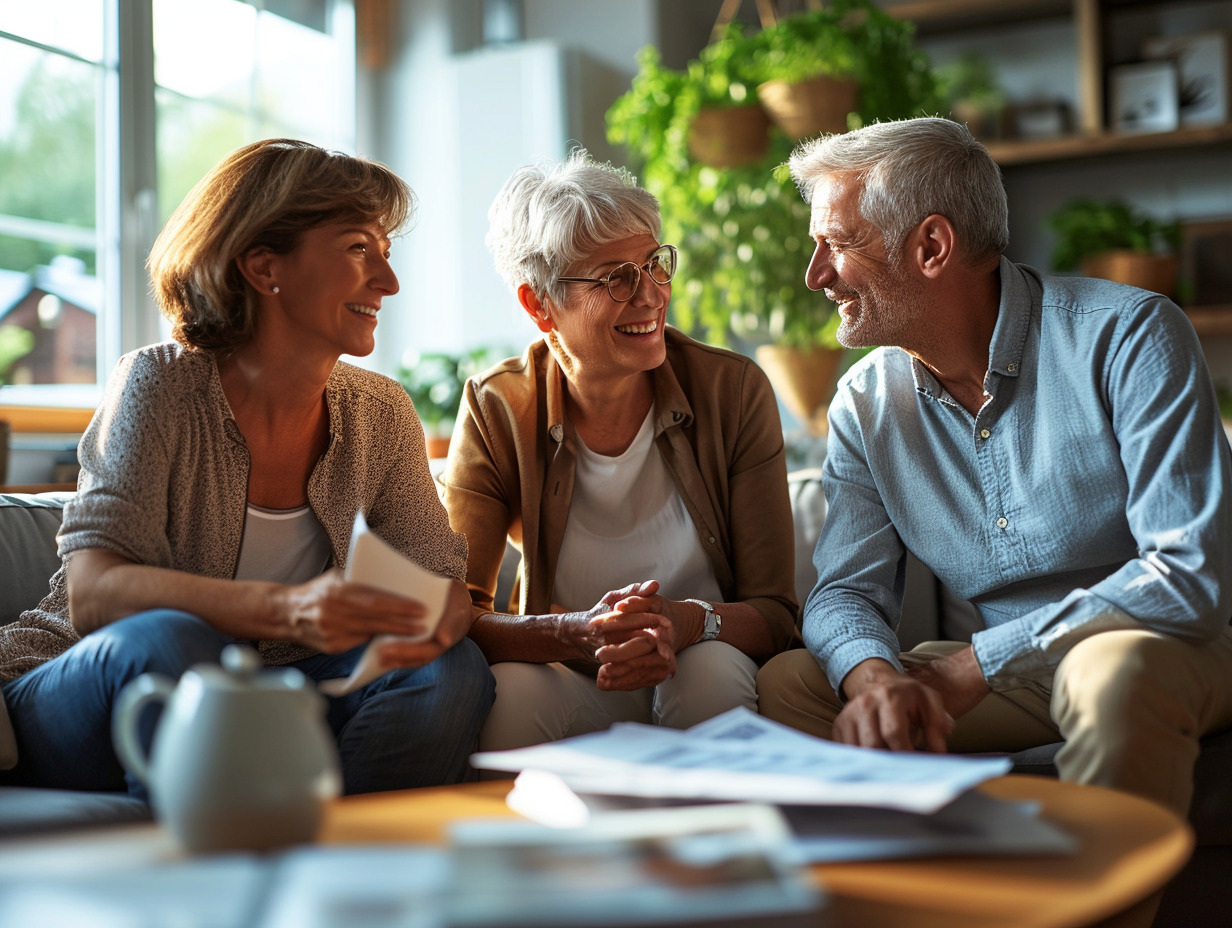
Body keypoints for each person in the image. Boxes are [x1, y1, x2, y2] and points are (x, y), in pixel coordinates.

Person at [757, 117, 1232, 820]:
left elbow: (1188, 575)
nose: (816, 275)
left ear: (931, 245)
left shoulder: (1129, 336)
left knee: (1112, 673)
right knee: (794, 683)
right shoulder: (865, 401)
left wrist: (975, 665)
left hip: (1164, 648)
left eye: (837, 245)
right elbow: (843, 593)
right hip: (1010, 676)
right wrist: (877, 680)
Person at [0, 139, 495, 797]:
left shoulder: (380, 412)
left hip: (278, 694)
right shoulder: (159, 385)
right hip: (87, 684)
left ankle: (342, 860)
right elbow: (94, 596)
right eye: (357, 249)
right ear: (265, 268)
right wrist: (289, 609)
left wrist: (429, 619)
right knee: (175, 645)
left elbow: (444, 591)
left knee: (449, 666)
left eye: (386, 252)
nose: (388, 281)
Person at [438, 149, 798, 753]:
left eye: (654, 265)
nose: (652, 295)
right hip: (570, 666)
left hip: (702, 652)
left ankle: (716, 849)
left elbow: (776, 613)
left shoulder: (732, 390)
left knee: (710, 675)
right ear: (539, 304)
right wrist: (569, 633)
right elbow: (458, 612)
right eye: (615, 278)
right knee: (513, 695)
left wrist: (686, 621)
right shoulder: (497, 405)